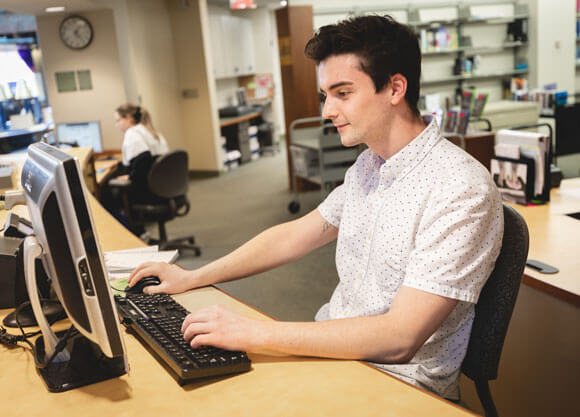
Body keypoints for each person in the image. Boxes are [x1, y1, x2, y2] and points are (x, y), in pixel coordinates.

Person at [128, 15, 503, 400]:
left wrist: (257, 333)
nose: (327, 111)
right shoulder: (368, 165)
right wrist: (192, 277)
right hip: (335, 357)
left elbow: (400, 338)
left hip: (398, 387)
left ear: (395, 88)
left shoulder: (460, 188)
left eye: (343, 94)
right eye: (326, 95)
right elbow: (294, 235)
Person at [104, 104, 169, 234]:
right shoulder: (152, 132)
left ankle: (134, 234)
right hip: (166, 189)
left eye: (118, 120)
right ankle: (138, 232)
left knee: (106, 194)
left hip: (150, 194)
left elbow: (143, 162)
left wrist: (130, 176)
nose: (117, 125)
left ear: (128, 117)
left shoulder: (132, 134)